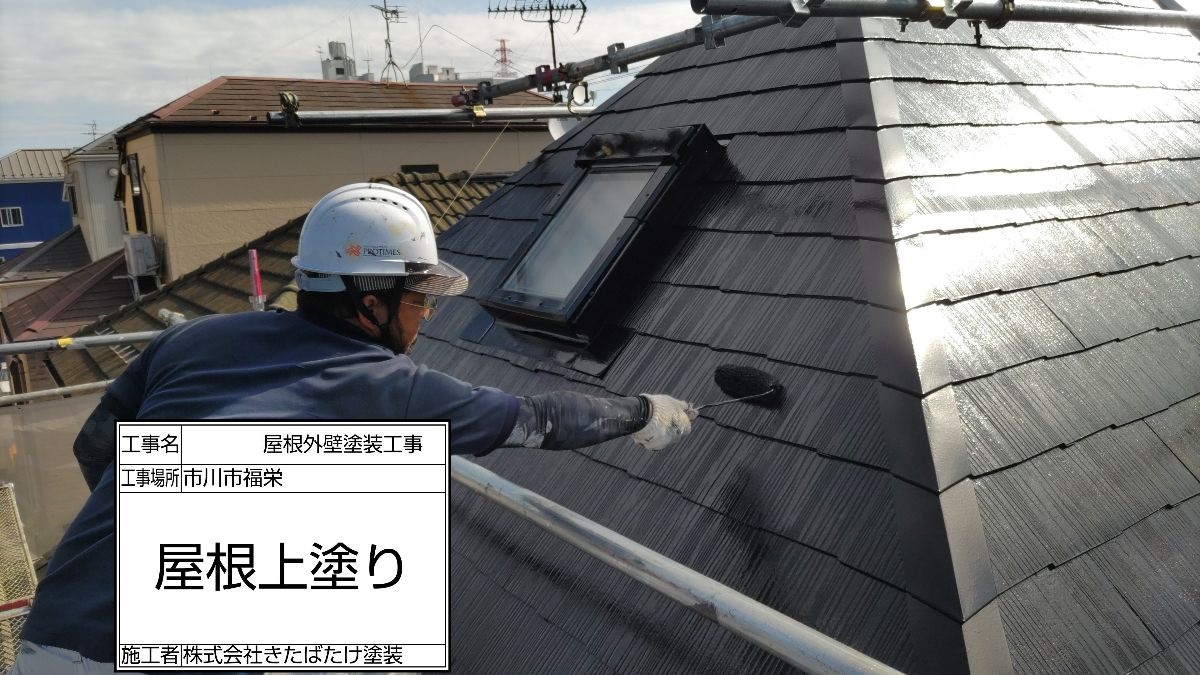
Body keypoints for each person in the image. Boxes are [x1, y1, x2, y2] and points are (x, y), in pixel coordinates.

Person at [13, 182, 695, 674]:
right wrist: (644, 411)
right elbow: (540, 420)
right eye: (419, 301)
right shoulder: (389, 387)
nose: (423, 318)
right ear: (371, 304)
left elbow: (94, 446)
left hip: (54, 636)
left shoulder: (192, 341)